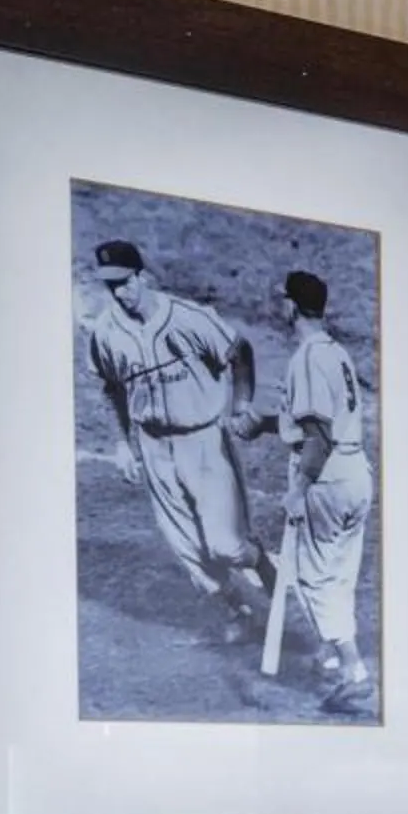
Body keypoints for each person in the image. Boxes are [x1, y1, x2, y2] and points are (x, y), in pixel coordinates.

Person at [81, 239, 282, 648]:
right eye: (110, 286)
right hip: (153, 444)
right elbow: (111, 389)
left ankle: (260, 561)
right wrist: (123, 444)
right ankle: (235, 611)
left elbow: (238, 350)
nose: (118, 293)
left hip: (203, 440)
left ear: (142, 275)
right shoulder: (106, 332)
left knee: (225, 545)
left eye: (124, 282)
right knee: (186, 546)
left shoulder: (188, 318)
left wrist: (242, 404)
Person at [264, 269, 378, 715]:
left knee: (315, 577)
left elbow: (317, 434)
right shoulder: (337, 352)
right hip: (355, 474)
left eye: (282, 301)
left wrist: (298, 489)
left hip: (325, 476)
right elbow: (320, 422)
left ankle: (354, 673)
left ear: (291, 305)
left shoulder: (308, 357)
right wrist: (265, 423)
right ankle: (331, 656)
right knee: (340, 573)